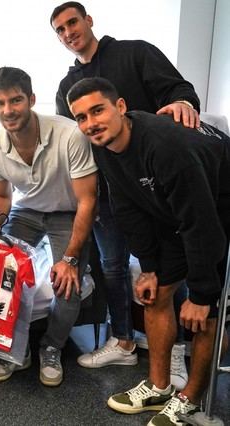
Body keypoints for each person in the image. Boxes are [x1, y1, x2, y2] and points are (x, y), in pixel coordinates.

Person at [50, 1, 200, 381]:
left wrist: (182, 104)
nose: (69, 32)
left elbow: (179, 90)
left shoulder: (136, 53)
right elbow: (74, 146)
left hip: (156, 187)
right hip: (108, 191)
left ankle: (176, 350)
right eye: (60, 29)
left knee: (168, 270)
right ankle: (123, 342)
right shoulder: (67, 87)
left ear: (88, 20)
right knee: (113, 269)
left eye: (73, 22)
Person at [67, 77, 229, 426]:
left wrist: (201, 293)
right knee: (154, 295)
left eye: (98, 110)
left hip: (220, 210)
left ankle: (191, 399)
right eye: (81, 117)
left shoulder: (168, 147)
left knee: (206, 314)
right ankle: (160, 387)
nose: (90, 123)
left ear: (120, 106)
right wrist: (150, 267)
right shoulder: (103, 145)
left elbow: (201, 224)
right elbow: (128, 206)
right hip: (180, 213)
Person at [0, 67, 97, 387]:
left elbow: (88, 200)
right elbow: (2, 195)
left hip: (67, 213)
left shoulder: (70, 135)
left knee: (67, 284)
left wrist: (70, 259)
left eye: (16, 100)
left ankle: (51, 348)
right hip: (26, 210)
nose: (8, 110)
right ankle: (14, 350)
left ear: (31, 99)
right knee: (3, 274)